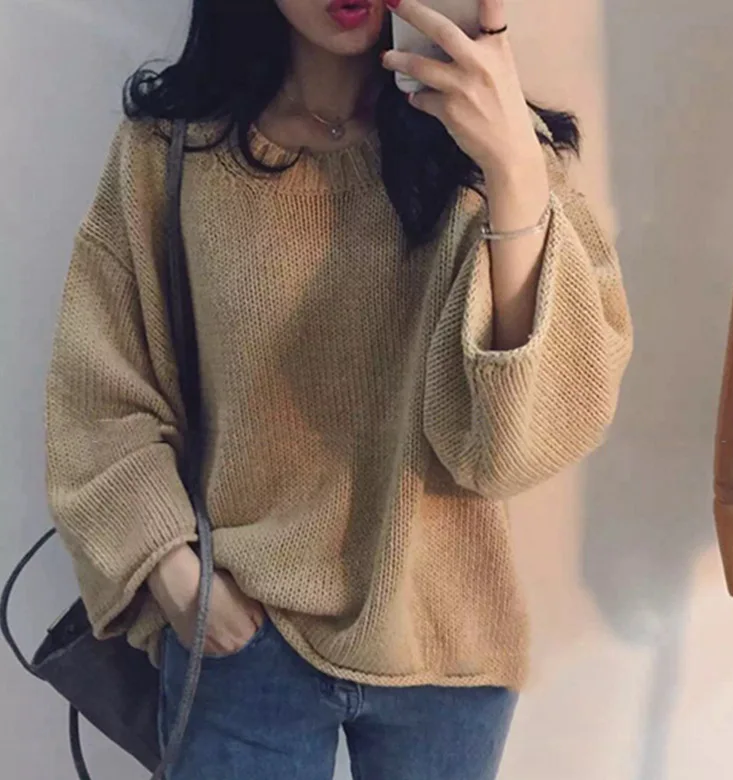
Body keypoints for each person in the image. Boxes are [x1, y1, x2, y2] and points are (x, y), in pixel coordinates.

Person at [44, 0, 633, 777]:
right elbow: (99, 393)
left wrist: (514, 172)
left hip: (444, 647)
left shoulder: (495, 155)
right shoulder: (171, 153)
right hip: (241, 639)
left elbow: (514, 449)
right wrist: (175, 577)